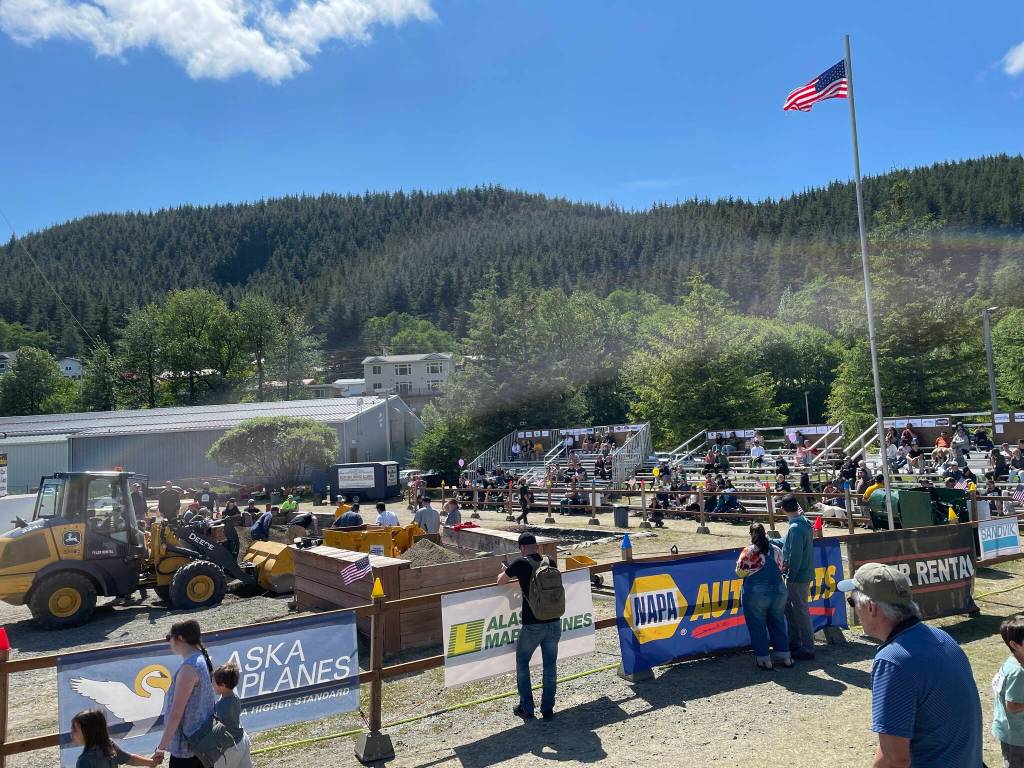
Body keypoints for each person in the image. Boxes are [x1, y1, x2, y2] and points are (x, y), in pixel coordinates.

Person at [838, 563, 983, 767]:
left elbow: (894, 760)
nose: (853, 609)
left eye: (852, 602)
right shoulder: (942, 637)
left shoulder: (892, 661)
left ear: (871, 607)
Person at [496, 533, 563, 721]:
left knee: (522, 663)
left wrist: (506, 569)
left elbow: (500, 581)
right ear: (536, 546)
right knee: (550, 666)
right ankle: (547, 708)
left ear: (522, 548)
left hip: (533, 624)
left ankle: (527, 707)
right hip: (554, 621)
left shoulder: (520, 563)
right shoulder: (550, 561)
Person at [154, 619, 217, 767]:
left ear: (180, 638)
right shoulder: (200, 658)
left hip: (188, 750)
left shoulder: (189, 668)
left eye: (169, 637)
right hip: (201, 743)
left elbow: (176, 713)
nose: (169, 642)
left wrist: (161, 748)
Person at [735, 523, 791, 670]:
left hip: (756, 593)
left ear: (751, 534)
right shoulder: (776, 549)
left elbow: (740, 572)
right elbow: (782, 567)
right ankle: (785, 655)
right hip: (779, 591)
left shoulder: (749, 551)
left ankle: (764, 659)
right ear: (765, 533)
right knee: (778, 622)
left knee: (757, 625)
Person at [779, 494, 815, 661]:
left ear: (784, 509)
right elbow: (788, 544)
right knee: (797, 610)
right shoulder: (803, 524)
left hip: (797, 577)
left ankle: (807, 647)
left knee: (800, 611)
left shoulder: (795, 528)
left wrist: (790, 576)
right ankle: (798, 643)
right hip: (803, 574)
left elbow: (795, 556)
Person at [70, 709, 159, 767]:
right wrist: (151, 762)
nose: (72, 733)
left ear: (88, 732)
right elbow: (131, 759)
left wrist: (151, 762)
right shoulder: (109, 745)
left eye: (75, 730)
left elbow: (130, 759)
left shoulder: (84, 761)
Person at [212, 663, 253, 768]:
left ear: (223, 685)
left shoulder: (220, 707)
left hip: (229, 748)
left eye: (214, 683)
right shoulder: (234, 697)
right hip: (242, 739)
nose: (212, 686)